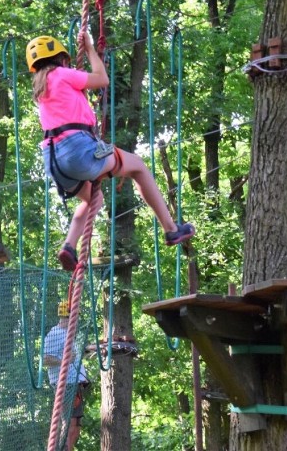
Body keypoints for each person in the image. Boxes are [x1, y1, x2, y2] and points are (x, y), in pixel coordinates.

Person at [27, 31, 196, 271]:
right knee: (138, 166)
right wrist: (90, 49)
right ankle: (171, 229)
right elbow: (101, 79)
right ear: (62, 59)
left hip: (54, 159)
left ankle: (68, 246)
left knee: (92, 200)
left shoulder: (41, 89)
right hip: (78, 150)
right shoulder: (62, 74)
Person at [43, 301, 90, 451]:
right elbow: (45, 360)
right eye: (75, 317)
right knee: (69, 423)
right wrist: (64, 360)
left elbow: (72, 357)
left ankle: (67, 448)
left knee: (75, 425)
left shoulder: (67, 334)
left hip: (73, 384)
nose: (77, 321)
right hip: (65, 385)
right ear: (68, 316)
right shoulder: (55, 334)